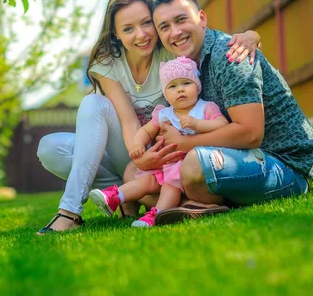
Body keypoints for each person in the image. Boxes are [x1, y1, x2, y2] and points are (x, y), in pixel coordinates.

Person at [36, 0, 261, 234]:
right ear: (116, 33)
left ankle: (82, 208)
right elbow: (128, 119)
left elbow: (203, 35)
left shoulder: (171, 51)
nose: (141, 35)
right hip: (133, 149)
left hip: (174, 154)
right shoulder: (107, 62)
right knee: (53, 145)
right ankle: (121, 195)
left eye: (146, 23)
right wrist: (139, 156)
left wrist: (251, 36)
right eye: (128, 28)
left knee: (93, 108)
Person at [145, 0, 313, 225]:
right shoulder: (182, 66)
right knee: (138, 176)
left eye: (181, 20)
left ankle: (199, 198)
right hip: (233, 156)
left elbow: (250, 133)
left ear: (202, 18)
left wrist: (183, 144)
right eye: (164, 27)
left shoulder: (230, 55)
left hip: (283, 163)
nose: (175, 32)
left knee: (193, 166)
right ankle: (201, 199)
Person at [88, 56, 228, 227]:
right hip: (166, 164)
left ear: (197, 86)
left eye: (186, 83)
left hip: (189, 167)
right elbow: (146, 130)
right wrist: (138, 144)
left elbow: (222, 124)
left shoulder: (205, 108)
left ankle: (156, 215)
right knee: (146, 182)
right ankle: (114, 197)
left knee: (170, 185)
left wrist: (198, 124)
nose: (180, 90)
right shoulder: (164, 114)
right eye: (173, 86)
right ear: (166, 93)